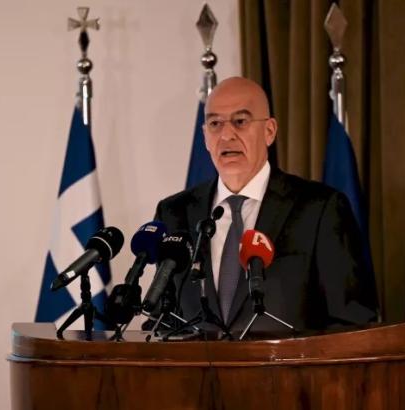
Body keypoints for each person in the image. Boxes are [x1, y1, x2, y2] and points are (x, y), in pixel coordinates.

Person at [154, 77, 378, 335]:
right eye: (215, 124)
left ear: (269, 131)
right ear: (204, 136)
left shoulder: (320, 209)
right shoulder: (173, 213)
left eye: (240, 121)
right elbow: (161, 321)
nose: (226, 135)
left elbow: (351, 323)